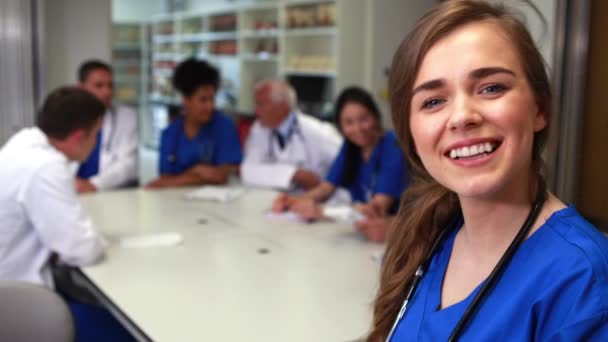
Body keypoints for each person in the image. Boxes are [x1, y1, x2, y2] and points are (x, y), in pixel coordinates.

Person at [369, 1, 608, 341]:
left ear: (538, 109)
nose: (462, 115)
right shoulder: (431, 236)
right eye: (433, 101)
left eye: (491, 88)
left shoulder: (584, 280)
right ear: (410, 131)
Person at [272, 87, 408, 242]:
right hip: (366, 236)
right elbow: (325, 188)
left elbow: (377, 208)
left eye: (364, 119)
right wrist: (293, 201)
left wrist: (322, 212)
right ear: (340, 126)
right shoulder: (351, 147)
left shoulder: (393, 145)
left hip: (396, 237)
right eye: (349, 122)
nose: (357, 129)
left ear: (375, 116)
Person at [146, 58, 242, 188]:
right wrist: (198, 172)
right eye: (203, 100)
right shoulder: (170, 134)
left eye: (212, 99)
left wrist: (184, 176)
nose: (210, 106)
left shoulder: (224, 127)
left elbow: (220, 176)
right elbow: (165, 178)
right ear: (186, 100)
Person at [241, 79, 342, 191]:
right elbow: (248, 171)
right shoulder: (259, 129)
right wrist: (294, 173)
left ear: (282, 106)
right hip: (276, 200)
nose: (256, 111)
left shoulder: (319, 133)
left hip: (318, 202)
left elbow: (349, 167)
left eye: (261, 104)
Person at [76, 59, 139, 193]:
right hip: (75, 191)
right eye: (99, 86)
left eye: (110, 85)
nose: (107, 92)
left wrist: (94, 184)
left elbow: (129, 164)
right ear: (81, 88)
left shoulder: (126, 117)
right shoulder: (67, 117)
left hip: (110, 192)